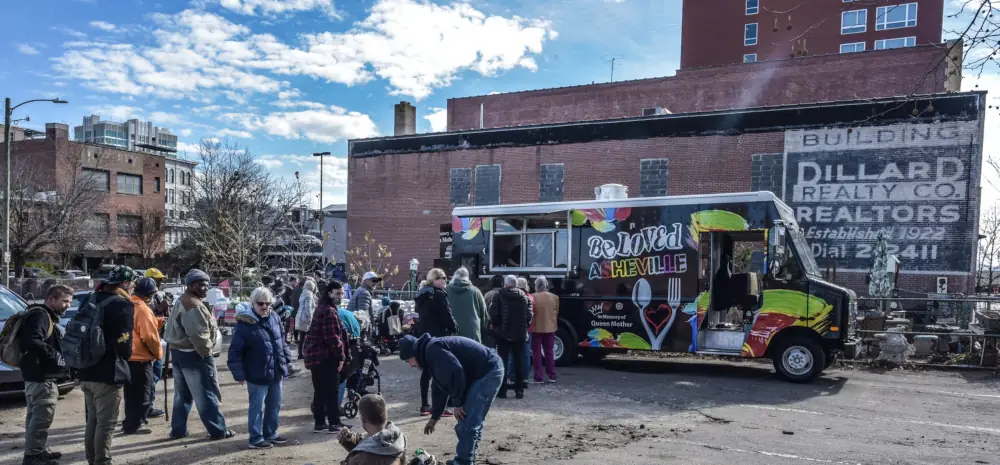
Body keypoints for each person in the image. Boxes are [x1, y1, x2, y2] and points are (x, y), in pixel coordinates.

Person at [399, 334, 503, 465]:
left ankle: (464, 461)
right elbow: (439, 386)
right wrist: (434, 417)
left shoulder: (433, 350)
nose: (410, 365)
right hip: (483, 371)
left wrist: (458, 403)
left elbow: (456, 372)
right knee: (466, 423)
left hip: (489, 370)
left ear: (413, 353)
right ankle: (467, 457)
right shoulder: (429, 354)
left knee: (467, 423)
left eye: (408, 360)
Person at [163, 269, 235, 441]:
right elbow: (199, 336)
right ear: (190, 285)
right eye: (200, 284)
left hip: (179, 353)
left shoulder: (184, 300)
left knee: (182, 395)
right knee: (206, 393)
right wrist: (208, 353)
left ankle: (178, 429)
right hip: (194, 355)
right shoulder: (193, 305)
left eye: (206, 284)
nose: (205, 288)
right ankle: (218, 430)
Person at [79, 266, 136, 465]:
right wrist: (126, 358)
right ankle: (102, 460)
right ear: (125, 284)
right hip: (108, 371)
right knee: (107, 422)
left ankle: (92, 459)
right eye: (132, 283)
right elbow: (124, 342)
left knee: (93, 419)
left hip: (86, 367)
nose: (133, 287)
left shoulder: (91, 298)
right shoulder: (122, 305)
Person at [228, 287, 292, 449]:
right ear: (253, 304)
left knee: (274, 404)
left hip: (275, 371)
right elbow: (235, 351)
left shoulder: (275, 317)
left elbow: (281, 341)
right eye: (260, 303)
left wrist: (287, 361)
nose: (265, 306)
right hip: (257, 373)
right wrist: (239, 373)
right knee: (257, 407)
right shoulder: (244, 325)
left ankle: (271, 433)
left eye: (268, 303)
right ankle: (255, 438)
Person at [19, 284, 73, 465]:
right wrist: (57, 358)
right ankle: (33, 456)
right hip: (42, 377)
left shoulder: (39, 314)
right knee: (42, 418)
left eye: (70, 301)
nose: (68, 305)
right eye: (65, 301)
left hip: (36, 376)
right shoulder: (40, 315)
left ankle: (36, 450)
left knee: (35, 417)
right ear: (51, 299)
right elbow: (33, 341)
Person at [303, 280, 351, 433]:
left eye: (342, 293)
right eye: (338, 293)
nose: (341, 296)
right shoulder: (329, 311)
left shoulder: (322, 307)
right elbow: (332, 337)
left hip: (315, 355)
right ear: (330, 293)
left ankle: (319, 422)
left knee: (320, 390)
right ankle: (334, 422)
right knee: (332, 390)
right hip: (325, 356)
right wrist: (341, 356)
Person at [414, 268, 458, 416]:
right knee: (440, 372)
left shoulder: (422, 295)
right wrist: (454, 327)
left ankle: (424, 405)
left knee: (426, 372)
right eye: (443, 278)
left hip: (424, 337)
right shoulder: (439, 295)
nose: (446, 280)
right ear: (434, 280)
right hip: (439, 337)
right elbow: (447, 315)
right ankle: (439, 406)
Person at [123, 278, 164, 435]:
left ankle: (129, 423)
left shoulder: (129, 304)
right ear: (151, 294)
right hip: (141, 358)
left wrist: (157, 322)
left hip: (128, 358)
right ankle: (136, 424)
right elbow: (149, 337)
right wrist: (158, 354)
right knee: (143, 395)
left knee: (131, 394)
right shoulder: (143, 309)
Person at [488, 275, 531, 399]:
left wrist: (496, 326)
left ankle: (502, 390)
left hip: (503, 334)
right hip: (520, 334)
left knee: (503, 362)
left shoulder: (499, 295)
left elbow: (493, 313)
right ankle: (519, 390)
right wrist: (524, 326)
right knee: (519, 361)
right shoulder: (524, 297)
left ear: (505, 284)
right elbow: (529, 315)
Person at [336, 394, 407, 465]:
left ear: (362, 419)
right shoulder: (398, 439)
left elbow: (373, 452)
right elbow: (378, 444)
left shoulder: (360, 459)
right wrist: (353, 441)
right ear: (385, 415)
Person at [143, 269, 169, 419]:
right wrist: (160, 309)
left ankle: (149, 405)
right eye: (157, 280)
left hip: (158, 340)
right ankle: (146, 407)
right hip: (149, 344)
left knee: (155, 376)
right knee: (150, 378)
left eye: (160, 280)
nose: (160, 283)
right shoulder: (144, 300)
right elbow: (147, 319)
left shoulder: (156, 297)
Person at [446, 267, 488, 344]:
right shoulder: (475, 291)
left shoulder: (446, 290)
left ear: (454, 276)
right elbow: (484, 314)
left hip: (451, 334)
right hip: (472, 333)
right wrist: (482, 330)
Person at [530, 277, 560, 383]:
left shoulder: (532, 297)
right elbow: (556, 312)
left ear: (536, 285)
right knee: (549, 352)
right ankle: (552, 375)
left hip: (536, 328)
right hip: (550, 328)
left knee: (536, 353)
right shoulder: (555, 297)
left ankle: (538, 376)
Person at [508, 277, 534, 390]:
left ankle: (511, 377)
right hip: (528, 330)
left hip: (514, 329)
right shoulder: (530, 297)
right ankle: (525, 378)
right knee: (525, 355)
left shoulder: (512, 296)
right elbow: (531, 314)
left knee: (512, 355)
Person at [337, 297, 361, 408]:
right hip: (346, 347)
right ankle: (337, 404)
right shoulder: (349, 317)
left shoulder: (326, 313)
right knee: (343, 376)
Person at [480, 275, 504, 348]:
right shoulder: (504, 293)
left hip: (490, 325)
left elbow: (484, 309)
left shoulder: (487, 294)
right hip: (503, 325)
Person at [297, 278, 318, 360]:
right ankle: (305, 353)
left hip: (300, 317)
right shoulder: (309, 295)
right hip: (305, 319)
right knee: (307, 337)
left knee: (302, 337)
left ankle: (301, 353)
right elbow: (308, 307)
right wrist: (311, 317)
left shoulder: (303, 293)